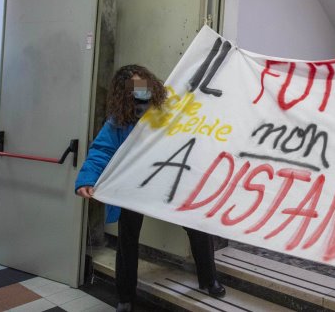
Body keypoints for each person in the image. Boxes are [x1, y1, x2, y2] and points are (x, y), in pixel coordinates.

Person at [75, 65, 226, 312]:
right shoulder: (118, 120)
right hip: (133, 186)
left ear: (152, 84)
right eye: (133, 87)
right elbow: (102, 150)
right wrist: (86, 178)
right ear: (124, 92)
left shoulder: (170, 111)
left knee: (197, 227)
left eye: (143, 84)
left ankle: (209, 279)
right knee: (127, 239)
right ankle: (125, 297)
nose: (140, 91)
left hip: (170, 180)